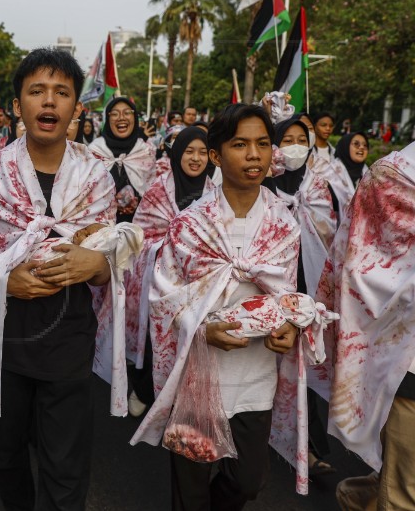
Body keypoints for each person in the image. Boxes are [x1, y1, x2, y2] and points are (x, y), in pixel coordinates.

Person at [0, 48, 131, 510]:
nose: (48, 102)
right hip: (5, 335)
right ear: (17, 105)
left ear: (76, 108)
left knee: (64, 461)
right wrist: (4, 281)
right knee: (7, 456)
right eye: (36, 91)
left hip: (69, 334)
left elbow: (109, 246)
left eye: (61, 92)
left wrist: (99, 266)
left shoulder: (95, 176)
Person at [131, 104, 324, 508]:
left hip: (255, 379)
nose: (254, 155)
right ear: (217, 156)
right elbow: (164, 299)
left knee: (247, 482)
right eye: (240, 144)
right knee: (191, 487)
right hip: (198, 375)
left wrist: (290, 326)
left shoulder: (282, 224)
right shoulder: (189, 224)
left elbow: (285, 295)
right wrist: (202, 328)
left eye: (262, 144)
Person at [322, 141, 415, 511]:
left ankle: (364, 496)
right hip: (405, 357)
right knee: (406, 493)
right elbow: (362, 268)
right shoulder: (392, 178)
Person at [126, 126, 215, 417]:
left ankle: (183, 397)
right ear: (178, 154)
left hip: (200, 284)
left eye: (202, 152)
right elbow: (141, 238)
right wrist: (172, 243)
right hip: (160, 283)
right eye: (189, 151)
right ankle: (144, 389)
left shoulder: (217, 194)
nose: (196, 158)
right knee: (157, 339)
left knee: (190, 340)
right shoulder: (157, 192)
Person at [271, 118, 338, 478]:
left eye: (302, 140)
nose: (295, 146)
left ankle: (310, 449)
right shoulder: (262, 185)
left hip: (307, 287)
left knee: (304, 367)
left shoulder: (318, 188)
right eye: (287, 140)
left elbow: (329, 233)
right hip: (269, 290)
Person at [88, 97, 157, 223]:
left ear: (135, 117)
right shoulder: (94, 151)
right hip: (101, 228)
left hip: (140, 228)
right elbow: (87, 196)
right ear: (107, 120)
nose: (121, 118)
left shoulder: (146, 151)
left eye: (127, 113)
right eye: (114, 113)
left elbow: (152, 194)